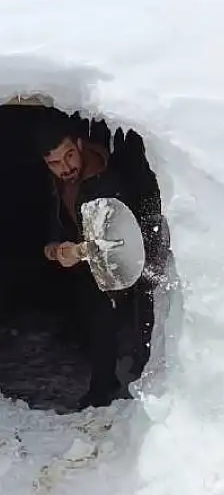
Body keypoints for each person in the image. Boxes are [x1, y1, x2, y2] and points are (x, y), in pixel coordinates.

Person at [35, 113, 170, 410]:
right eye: (54, 163)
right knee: (97, 320)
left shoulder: (114, 174)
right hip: (91, 266)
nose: (64, 168)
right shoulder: (58, 184)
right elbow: (51, 237)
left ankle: (148, 389)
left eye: (69, 156)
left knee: (144, 320)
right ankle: (102, 386)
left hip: (135, 258)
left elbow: (135, 226)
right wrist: (60, 251)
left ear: (80, 145)